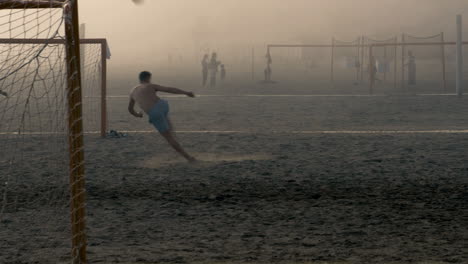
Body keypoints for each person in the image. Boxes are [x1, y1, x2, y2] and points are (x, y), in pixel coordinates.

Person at [128, 71, 196, 162]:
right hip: (163, 105)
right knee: (168, 125)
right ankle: (174, 139)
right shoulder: (150, 86)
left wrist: (138, 114)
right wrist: (186, 92)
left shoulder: (132, 91)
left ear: (140, 79)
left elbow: (130, 109)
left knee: (168, 137)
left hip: (154, 112)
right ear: (148, 78)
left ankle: (188, 158)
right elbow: (169, 89)